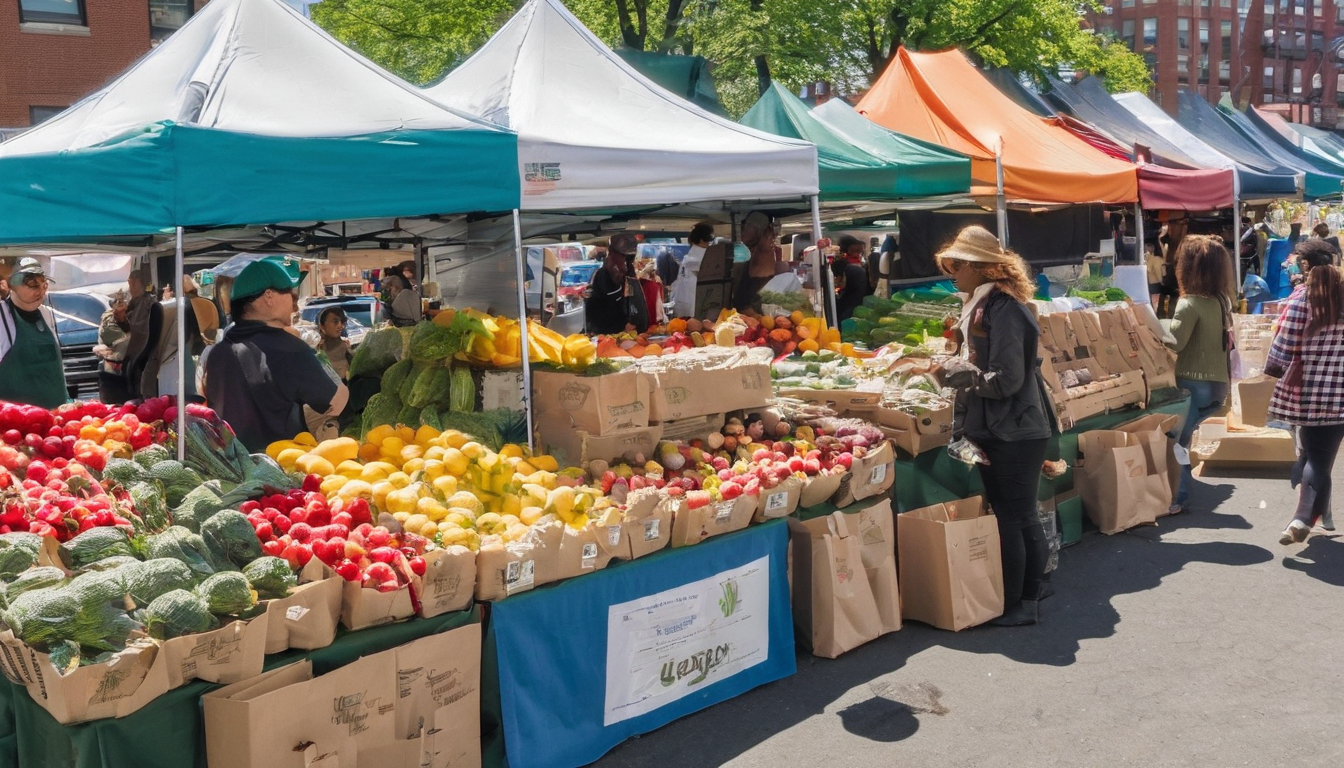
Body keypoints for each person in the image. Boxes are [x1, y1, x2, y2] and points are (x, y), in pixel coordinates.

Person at [935, 227, 1056, 627]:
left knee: (1015, 516)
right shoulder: (986, 305)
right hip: (1001, 427)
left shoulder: (1005, 309)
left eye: (960, 265)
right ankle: (1031, 591)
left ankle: (1022, 603)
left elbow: (1007, 380)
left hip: (1016, 430)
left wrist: (956, 376)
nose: (953, 271)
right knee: (1016, 513)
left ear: (981, 268)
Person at [203, 260, 347, 453]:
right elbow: (335, 403)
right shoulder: (290, 350)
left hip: (230, 467)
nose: (294, 304)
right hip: (279, 468)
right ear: (269, 296)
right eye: (289, 293)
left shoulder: (217, 352)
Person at [1266, 264, 1344, 544]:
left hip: (1312, 393)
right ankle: (1318, 517)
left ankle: (1301, 520)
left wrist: (1272, 369)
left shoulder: (1302, 300)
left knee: (1315, 458)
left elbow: (1283, 344)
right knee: (1320, 456)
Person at [1166, 235, 1235, 516]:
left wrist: (1151, 330)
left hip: (1192, 383)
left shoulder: (1189, 303)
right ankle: (1181, 486)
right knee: (1186, 437)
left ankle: (1179, 497)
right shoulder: (1221, 300)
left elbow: (1174, 343)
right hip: (1218, 386)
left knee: (1177, 442)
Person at [0, 258, 67, 409]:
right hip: (16, 424)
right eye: (32, 285)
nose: (41, 291)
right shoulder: (2, 317)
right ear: (10, 285)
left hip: (55, 418)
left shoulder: (46, 314)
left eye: (44, 285)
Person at [731, 212, 803, 313]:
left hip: (750, 312)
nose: (743, 230)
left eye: (748, 225)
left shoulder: (763, 251)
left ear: (760, 230)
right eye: (744, 225)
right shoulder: (749, 250)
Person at [585, 235, 648, 334]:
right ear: (614, 255)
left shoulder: (626, 272)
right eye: (624, 257)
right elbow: (612, 304)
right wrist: (623, 325)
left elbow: (630, 299)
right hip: (606, 330)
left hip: (623, 330)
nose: (626, 262)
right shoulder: (603, 275)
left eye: (629, 258)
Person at [671, 222, 714, 318]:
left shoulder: (688, 258)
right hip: (695, 310)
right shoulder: (699, 259)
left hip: (682, 306)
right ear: (703, 239)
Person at [123, 269, 154, 399]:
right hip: (133, 353)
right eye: (129, 284)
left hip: (142, 352)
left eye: (134, 284)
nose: (131, 288)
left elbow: (139, 328)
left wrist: (123, 319)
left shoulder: (146, 302)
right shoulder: (133, 302)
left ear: (143, 284)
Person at [96, 291, 132, 405]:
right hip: (111, 376)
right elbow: (114, 340)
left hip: (131, 374)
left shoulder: (135, 317)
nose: (121, 305)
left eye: (123, 301)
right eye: (117, 301)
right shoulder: (108, 320)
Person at [315, 307, 354, 381]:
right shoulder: (317, 354)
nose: (340, 326)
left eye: (342, 322)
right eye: (335, 321)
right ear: (322, 326)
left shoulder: (348, 350)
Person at [831, 257, 870, 322]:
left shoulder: (850, 272)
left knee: (844, 314)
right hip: (860, 293)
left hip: (858, 295)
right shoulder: (850, 269)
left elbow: (848, 292)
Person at [1146, 243, 1166, 308]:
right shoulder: (1157, 259)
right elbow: (1157, 270)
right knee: (1156, 301)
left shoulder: (1148, 257)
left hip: (1150, 282)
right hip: (1156, 283)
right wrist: (1161, 281)